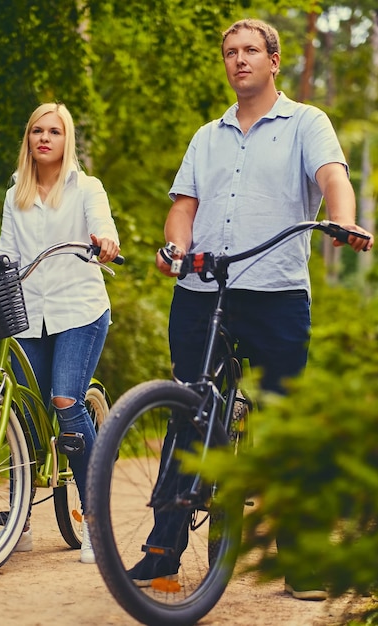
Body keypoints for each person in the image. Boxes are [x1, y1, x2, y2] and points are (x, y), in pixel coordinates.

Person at [127, 18, 374, 598]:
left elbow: (332, 177)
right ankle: (163, 551)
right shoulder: (205, 136)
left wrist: (342, 217)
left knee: (284, 421)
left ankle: (303, 559)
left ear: (274, 60)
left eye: (249, 52)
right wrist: (176, 248)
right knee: (189, 414)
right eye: (230, 52)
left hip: (275, 296)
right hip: (201, 294)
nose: (238, 60)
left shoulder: (306, 123)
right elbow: (183, 208)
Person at [0, 102, 120, 564]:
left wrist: (105, 242)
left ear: (67, 139)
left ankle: (97, 522)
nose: (44, 138)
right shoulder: (15, 194)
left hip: (79, 310)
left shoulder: (87, 188)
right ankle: (17, 520)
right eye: (37, 130)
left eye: (54, 131)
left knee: (64, 400)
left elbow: (103, 227)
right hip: (29, 316)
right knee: (19, 412)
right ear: (29, 139)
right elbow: (6, 256)